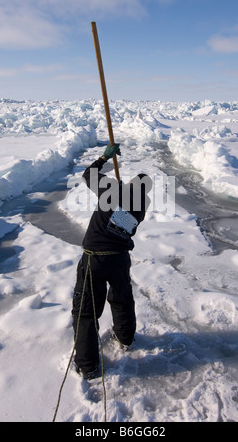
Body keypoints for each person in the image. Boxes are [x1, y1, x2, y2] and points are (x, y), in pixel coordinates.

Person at [72, 143, 152, 380]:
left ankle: (88, 365)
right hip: (119, 260)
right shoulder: (141, 208)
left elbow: (88, 175)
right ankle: (125, 337)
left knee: (86, 311)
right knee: (122, 300)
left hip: (94, 259)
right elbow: (121, 222)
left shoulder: (112, 189)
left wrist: (104, 157)